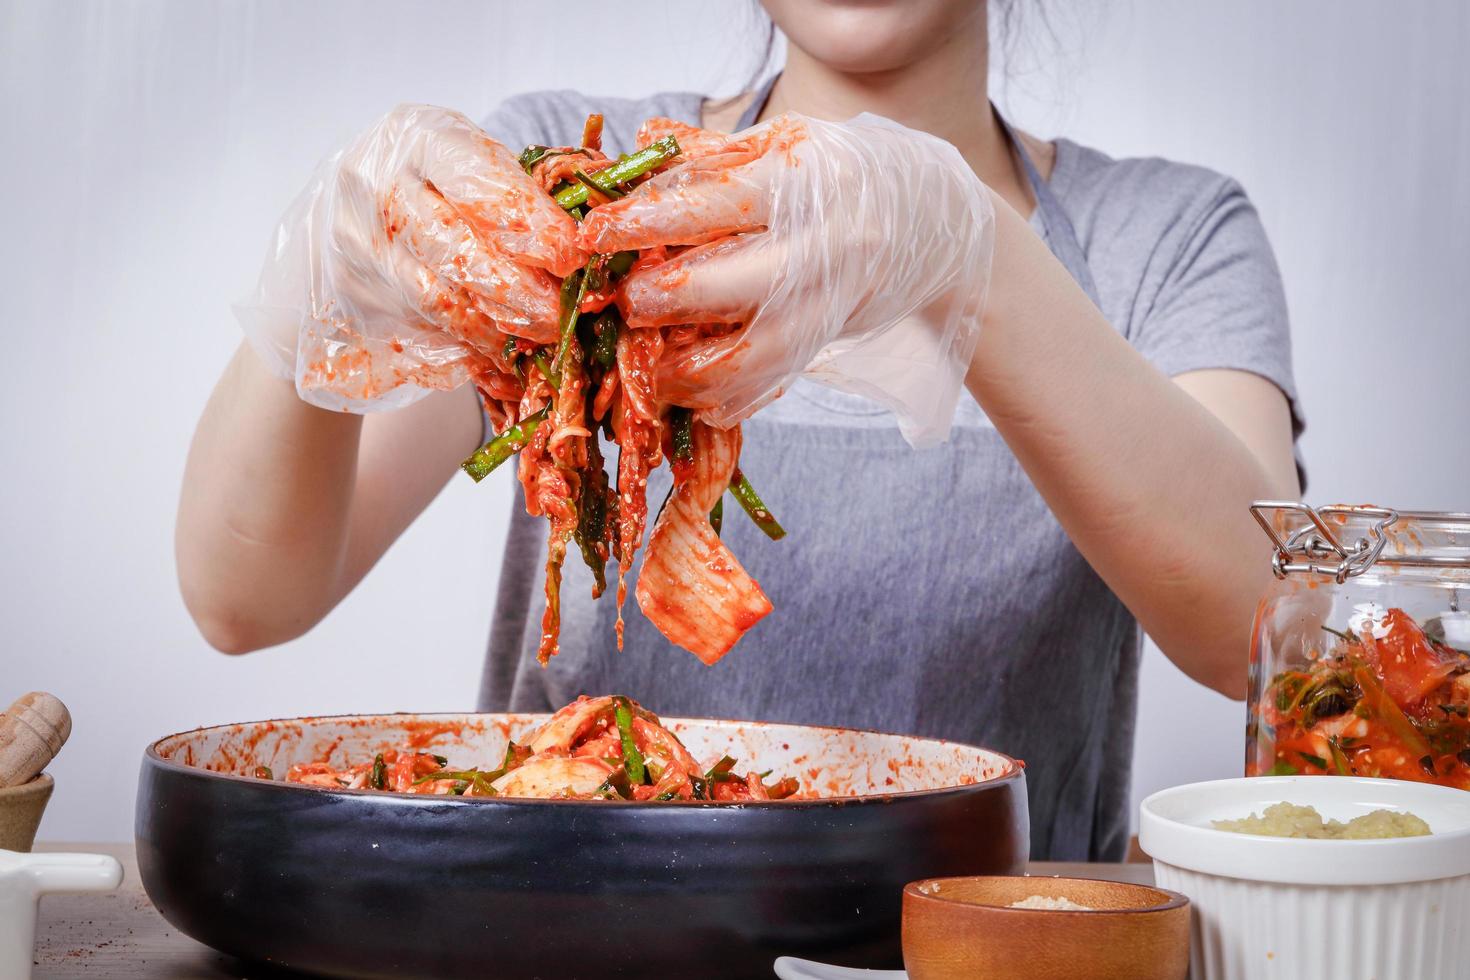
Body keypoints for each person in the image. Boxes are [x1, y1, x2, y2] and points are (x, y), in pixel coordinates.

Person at [176, 0, 1303, 860]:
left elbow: (1264, 632)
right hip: (560, 932)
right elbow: (246, 595)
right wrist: (317, 292)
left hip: (985, 952)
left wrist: (974, 259)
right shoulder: (558, 185)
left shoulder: (1167, 235)